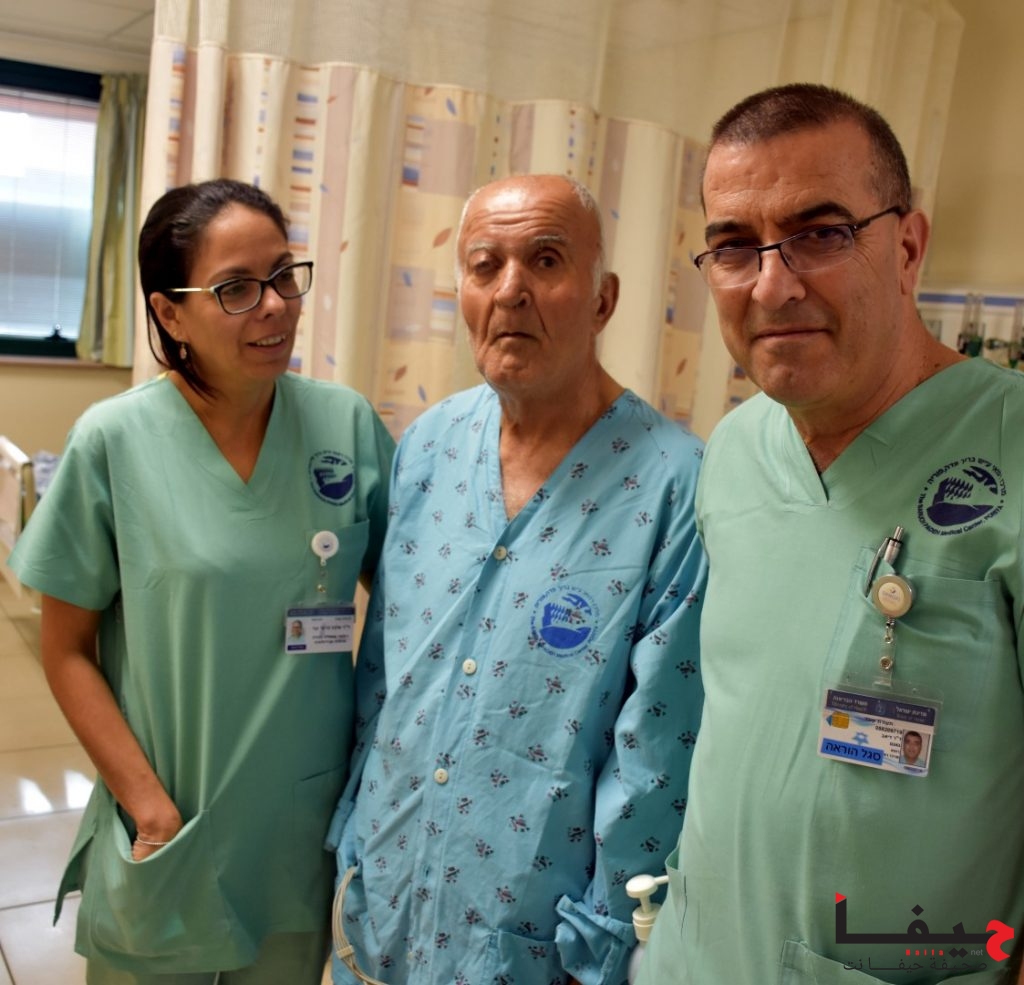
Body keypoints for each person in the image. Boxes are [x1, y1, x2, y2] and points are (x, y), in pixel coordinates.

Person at [637, 84, 1024, 984]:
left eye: (820, 232)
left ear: (908, 247)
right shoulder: (734, 451)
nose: (772, 284)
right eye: (734, 246)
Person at [8, 178, 394, 984]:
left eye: (284, 275)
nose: (275, 305)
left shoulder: (345, 425)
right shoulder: (113, 441)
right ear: (170, 314)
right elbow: (67, 649)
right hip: (169, 817)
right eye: (236, 288)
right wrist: (147, 806)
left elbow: (410, 600)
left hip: (298, 824)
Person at [327, 173, 706, 985]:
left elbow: (656, 752)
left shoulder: (673, 483)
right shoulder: (427, 445)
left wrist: (606, 937)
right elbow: (384, 672)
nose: (511, 291)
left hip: (538, 938)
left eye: (546, 260)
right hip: (381, 893)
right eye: (484, 265)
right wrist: (353, 834)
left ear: (603, 300)